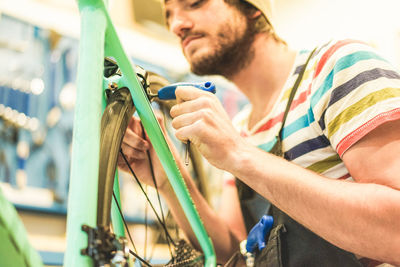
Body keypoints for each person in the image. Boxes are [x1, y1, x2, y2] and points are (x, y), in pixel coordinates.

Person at [118, 0, 400, 265]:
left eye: (195, 2)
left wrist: (238, 154)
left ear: (252, 8)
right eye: (169, 15)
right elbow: (235, 252)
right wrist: (168, 178)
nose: (176, 24)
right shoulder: (241, 126)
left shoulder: (337, 67)